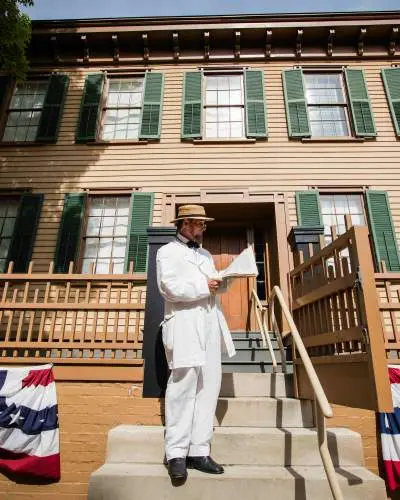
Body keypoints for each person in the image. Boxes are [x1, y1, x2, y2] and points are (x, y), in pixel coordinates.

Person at [156, 204, 236, 480]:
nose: (203, 229)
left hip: (209, 324)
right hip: (184, 325)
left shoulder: (205, 254)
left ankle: (199, 450)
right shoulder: (166, 252)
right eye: (199, 224)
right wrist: (206, 286)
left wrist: (222, 283)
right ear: (185, 224)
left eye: (203, 224)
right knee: (183, 388)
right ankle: (176, 453)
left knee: (209, 388)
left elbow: (211, 286)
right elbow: (170, 288)